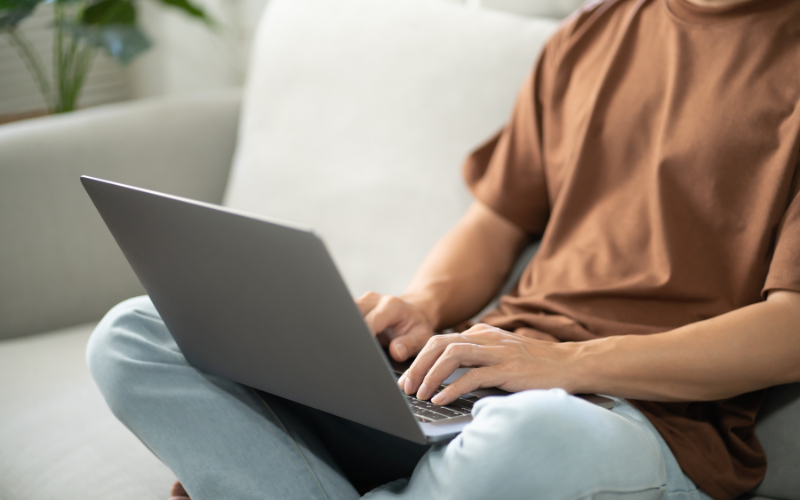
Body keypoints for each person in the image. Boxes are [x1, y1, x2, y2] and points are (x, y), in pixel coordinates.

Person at [87, 0, 800, 498]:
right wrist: (424, 304)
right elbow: (495, 220)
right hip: (473, 379)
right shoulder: (596, 31)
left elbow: (790, 330)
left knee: (537, 437)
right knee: (136, 333)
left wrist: (563, 365)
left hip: (631, 419)